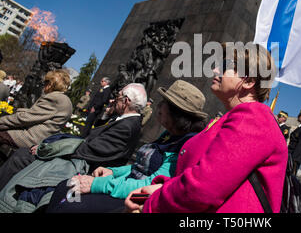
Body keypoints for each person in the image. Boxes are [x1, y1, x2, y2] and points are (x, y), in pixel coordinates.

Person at [124, 43, 288, 213]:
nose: (216, 69)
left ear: (248, 81)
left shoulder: (253, 118)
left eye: (225, 66)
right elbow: (202, 174)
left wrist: (151, 205)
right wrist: (162, 186)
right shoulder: (233, 118)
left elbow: (203, 189)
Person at [46, 80, 208, 213]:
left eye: (164, 102)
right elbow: (140, 167)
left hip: (132, 197)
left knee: (70, 207)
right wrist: (113, 171)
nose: (159, 106)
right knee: (66, 186)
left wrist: (96, 185)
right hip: (122, 184)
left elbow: (151, 183)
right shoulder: (168, 135)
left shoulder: (185, 146)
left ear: (175, 112)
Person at [0, 83, 147, 212]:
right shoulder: (124, 120)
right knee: (23, 155)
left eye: (118, 96)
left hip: (87, 166)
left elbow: (90, 150)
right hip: (82, 158)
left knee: (23, 157)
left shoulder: (129, 126)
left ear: (126, 101)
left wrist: (50, 149)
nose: (114, 99)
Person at [0, 70, 72, 150]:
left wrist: (1, 121)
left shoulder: (54, 98)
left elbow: (25, 118)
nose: (43, 85)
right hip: (41, 138)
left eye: (45, 82)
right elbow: (37, 115)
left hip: (29, 138)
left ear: (50, 84)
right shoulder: (65, 100)